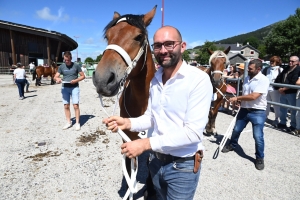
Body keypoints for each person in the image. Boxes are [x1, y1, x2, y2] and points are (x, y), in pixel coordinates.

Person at [103, 26, 212, 199]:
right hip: (155, 161)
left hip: (182, 167)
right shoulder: (155, 79)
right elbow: (151, 117)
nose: (163, 50)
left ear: (182, 46)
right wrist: (128, 122)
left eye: (169, 44)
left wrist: (145, 144)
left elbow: (193, 133)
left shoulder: (198, 80)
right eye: (158, 45)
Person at [221, 59, 269, 170]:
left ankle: (259, 158)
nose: (248, 70)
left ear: (258, 69)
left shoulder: (263, 80)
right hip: (244, 109)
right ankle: (232, 145)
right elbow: (246, 93)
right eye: (248, 68)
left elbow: (254, 96)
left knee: (258, 137)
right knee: (236, 130)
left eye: (250, 68)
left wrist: (238, 97)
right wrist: (240, 101)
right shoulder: (247, 78)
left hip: (258, 111)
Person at [54, 51, 85, 131]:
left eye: (68, 60)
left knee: (75, 105)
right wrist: (57, 79)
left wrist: (76, 80)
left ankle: (77, 123)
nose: (66, 62)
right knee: (66, 106)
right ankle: (69, 122)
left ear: (71, 58)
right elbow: (56, 76)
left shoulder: (76, 65)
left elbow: (83, 76)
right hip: (65, 87)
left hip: (74, 87)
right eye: (65, 60)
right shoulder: (61, 66)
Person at [274, 56, 300, 133]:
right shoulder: (286, 69)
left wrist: (284, 88)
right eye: (289, 60)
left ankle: (293, 125)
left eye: (292, 61)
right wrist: (279, 88)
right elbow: (279, 78)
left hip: (291, 92)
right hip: (283, 91)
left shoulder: (298, 70)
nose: (290, 62)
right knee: (282, 108)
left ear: (297, 62)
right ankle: (282, 123)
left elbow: (294, 82)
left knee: (293, 110)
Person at [262, 56, 283, 127]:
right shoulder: (266, 69)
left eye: (273, 62)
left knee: (276, 105)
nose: (271, 63)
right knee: (266, 104)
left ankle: (277, 118)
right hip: (266, 88)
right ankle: (265, 116)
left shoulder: (280, 69)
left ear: (277, 62)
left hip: (275, 89)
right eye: (271, 61)